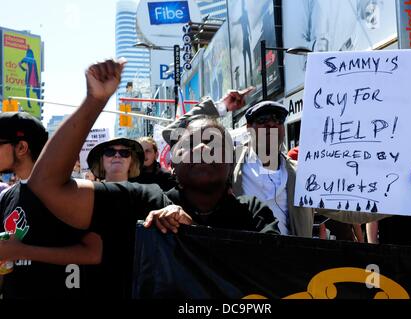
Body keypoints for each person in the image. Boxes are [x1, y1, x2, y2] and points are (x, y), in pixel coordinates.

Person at [27, 59, 279, 298]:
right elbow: (46, 185)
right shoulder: (138, 202)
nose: (203, 149)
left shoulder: (254, 213)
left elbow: (278, 275)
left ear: (230, 161)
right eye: (191, 143)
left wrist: (195, 234)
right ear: (173, 163)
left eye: (215, 144)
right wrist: (94, 101)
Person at [163, 94, 315, 237]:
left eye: (278, 119)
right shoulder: (228, 159)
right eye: (263, 119)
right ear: (248, 127)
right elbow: (172, 132)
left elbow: (335, 206)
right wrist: (221, 106)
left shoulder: (304, 173)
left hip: (295, 261)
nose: (271, 123)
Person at [0, 112, 101, 299]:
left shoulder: (68, 193)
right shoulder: (7, 197)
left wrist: (21, 251)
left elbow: (93, 253)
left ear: (21, 147)